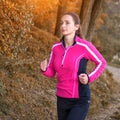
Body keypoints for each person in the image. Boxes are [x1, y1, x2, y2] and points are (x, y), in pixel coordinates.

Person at [40, 12, 106, 120]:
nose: (63, 26)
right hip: (61, 98)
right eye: (61, 23)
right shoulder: (56, 47)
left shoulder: (84, 46)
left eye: (67, 23)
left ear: (76, 27)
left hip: (79, 99)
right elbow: (51, 72)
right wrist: (44, 69)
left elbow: (102, 62)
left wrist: (89, 77)